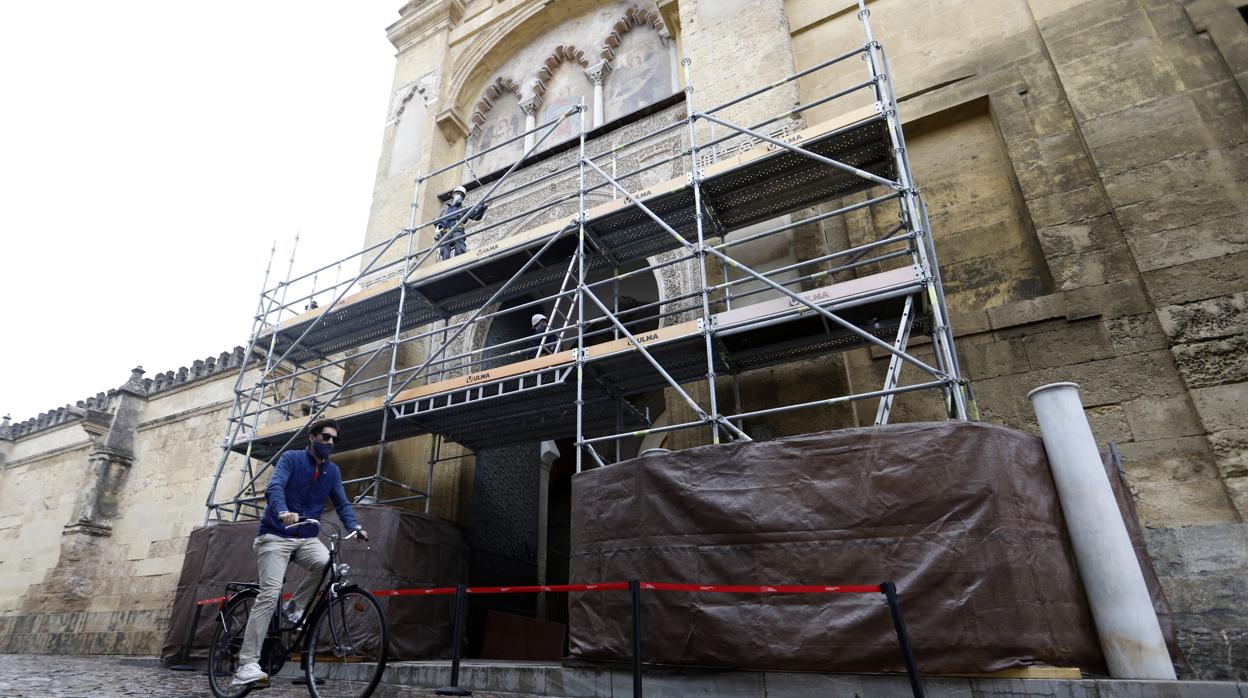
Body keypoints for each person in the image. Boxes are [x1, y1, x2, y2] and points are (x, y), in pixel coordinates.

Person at [231, 418, 365, 686]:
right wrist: (282, 511)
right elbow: (275, 487)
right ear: (312, 437)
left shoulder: (332, 471)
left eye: (334, 440)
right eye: (325, 437)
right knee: (269, 595)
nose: (330, 443)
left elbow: (342, 502)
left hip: (306, 536)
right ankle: (246, 664)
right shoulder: (292, 459)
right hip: (276, 534)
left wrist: (354, 526)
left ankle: (295, 606)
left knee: (328, 565)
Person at [435, 186, 488, 260]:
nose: (459, 196)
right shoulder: (446, 210)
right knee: (444, 250)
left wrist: (482, 207)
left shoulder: (463, 209)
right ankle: (445, 263)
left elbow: (476, 215)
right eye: (458, 194)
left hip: (457, 230)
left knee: (460, 246)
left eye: (462, 195)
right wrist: (438, 226)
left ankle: (459, 260)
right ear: (453, 195)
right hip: (445, 232)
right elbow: (439, 221)